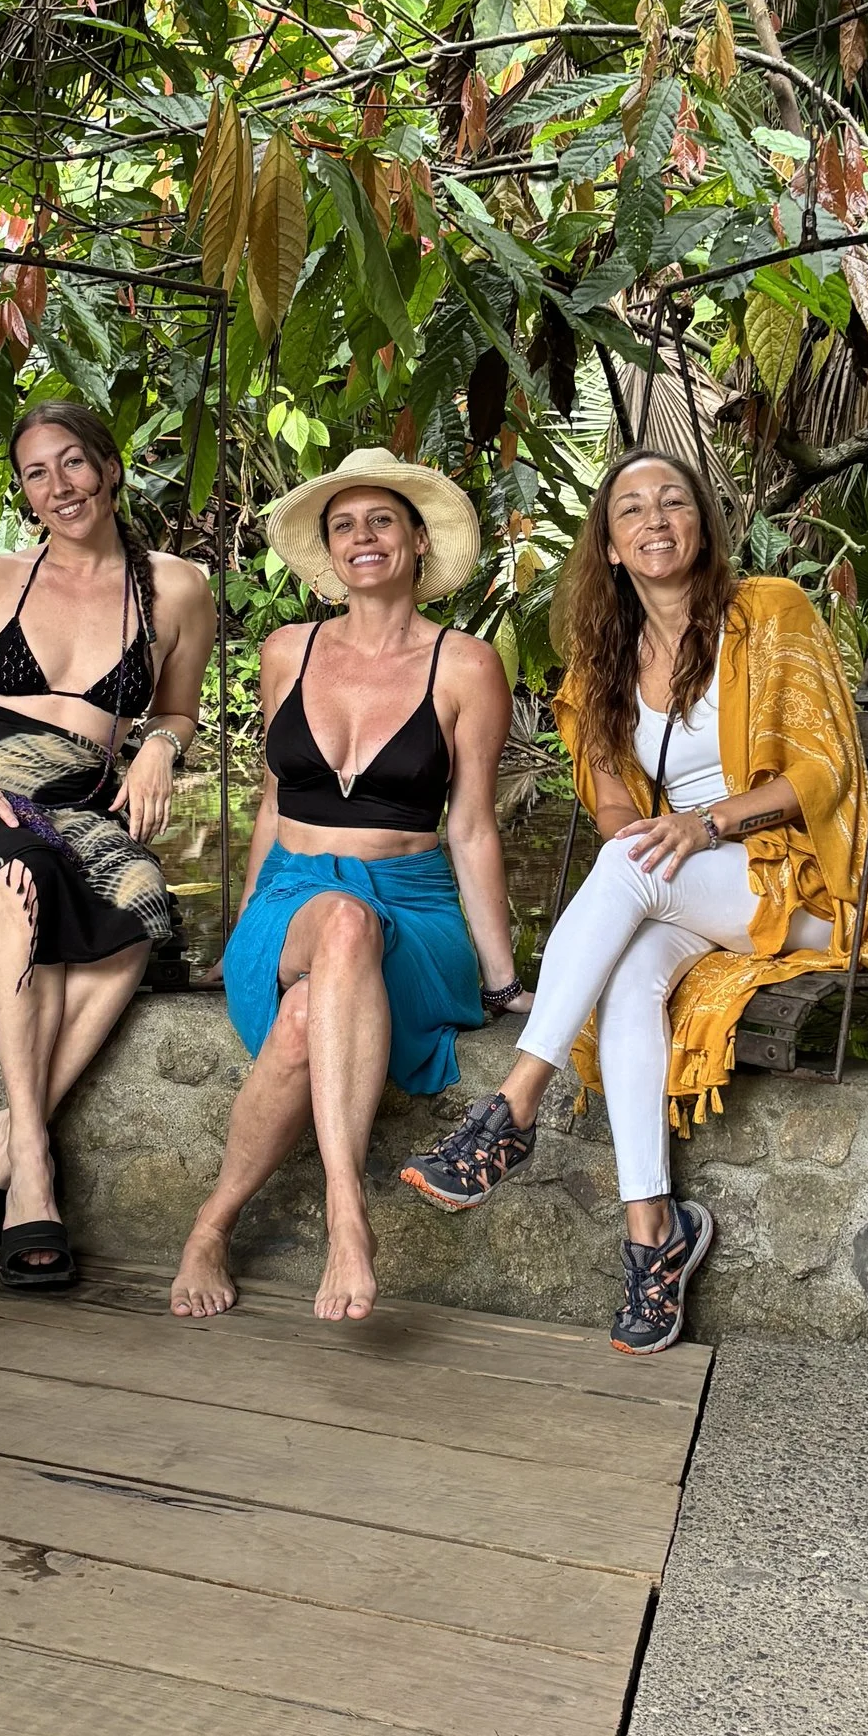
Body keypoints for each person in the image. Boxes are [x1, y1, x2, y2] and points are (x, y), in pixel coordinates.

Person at [397, 452, 868, 1357]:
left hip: (800, 881)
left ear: (701, 521)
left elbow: (827, 767)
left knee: (635, 868)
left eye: (672, 501)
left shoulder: (770, 611)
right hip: (689, 886)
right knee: (626, 980)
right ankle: (654, 1236)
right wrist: (665, 838)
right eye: (630, 509)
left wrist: (706, 824)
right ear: (611, 547)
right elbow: (616, 803)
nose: (654, 519)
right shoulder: (606, 656)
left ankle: (513, 1106)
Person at [0, 399, 215, 1289]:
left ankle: (4, 1137)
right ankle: (33, 1179)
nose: (59, 486)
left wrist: (160, 749)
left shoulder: (176, 588)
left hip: (73, 800)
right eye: (36, 472)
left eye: (73, 463)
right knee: (24, 876)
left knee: (137, 901)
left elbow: (176, 710)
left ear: (109, 465)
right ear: (23, 491)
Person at [169, 448, 520, 1328]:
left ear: (414, 542)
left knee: (307, 1007)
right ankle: (348, 1215)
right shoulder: (287, 651)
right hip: (293, 892)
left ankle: (215, 1225)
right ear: (329, 552)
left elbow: (472, 826)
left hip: (415, 902)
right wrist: (249, 926)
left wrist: (504, 977)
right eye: (343, 525)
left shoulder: (468, 665)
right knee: (335, 926)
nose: (362, 537)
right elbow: (272, 800)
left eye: (380, 521)